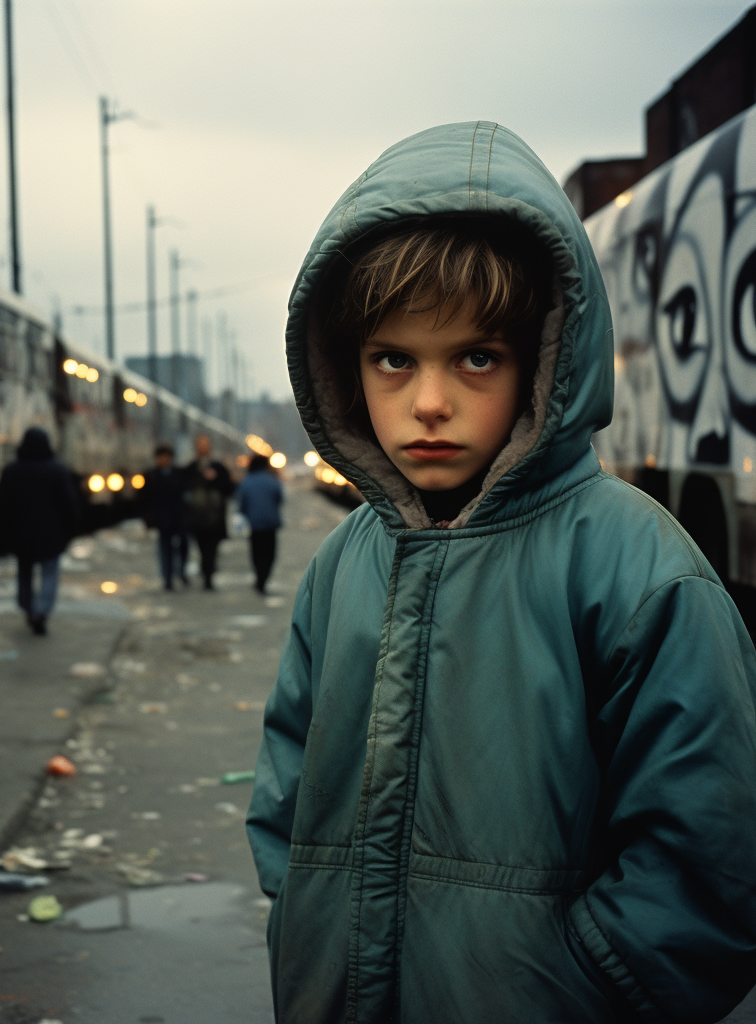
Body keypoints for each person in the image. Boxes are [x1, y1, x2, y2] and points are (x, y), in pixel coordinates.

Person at [245, 121, 756, 1023]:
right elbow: (288, 783)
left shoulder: (634, 565)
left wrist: (583, 983)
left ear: (544, 363)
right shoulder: (342, 563)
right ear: (347, 365)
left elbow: (709, 859)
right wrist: (306, 920)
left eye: (475, 357)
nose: (430, 402)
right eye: (393, 360)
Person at [0, 427, 80, 635]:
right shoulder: (57, 470)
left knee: (25, 573)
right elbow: (68, 503)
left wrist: (2, 533)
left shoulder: (11, 470)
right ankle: (42, 611)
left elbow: (2, 506)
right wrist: (70, 530)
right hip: (50, 533)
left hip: (21, 533)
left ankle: (28, 608)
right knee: (50, 573)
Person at [183, 433, 235, 590]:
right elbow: (183, 488)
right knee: (202, 547)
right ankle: (206, 573)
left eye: (205, 444)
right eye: (200, 444)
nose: (202, 448)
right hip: (196, 518)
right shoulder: (191, 468)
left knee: (211, 548)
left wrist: (216, 478)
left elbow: (229, 489)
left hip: (215, 518)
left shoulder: (219, 468)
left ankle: (208, 576)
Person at [141, 442, 189, 591]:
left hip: (178, 518)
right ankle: (168, 578)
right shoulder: (151, 475)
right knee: (165, 548)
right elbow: (145, 499)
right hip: (162, 519)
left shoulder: (178, 474)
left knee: (182, 546)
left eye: (166, 457)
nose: (164, 460)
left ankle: (180, 570)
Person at [236, 453, 283, 594]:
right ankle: (264, 578)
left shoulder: (247, 481)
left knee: (256, 553)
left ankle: (259, 578)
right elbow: (279, 498)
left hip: (255, 524)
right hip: (271, 524)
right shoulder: (272, 480)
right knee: (269, 553)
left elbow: (242, 503)